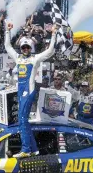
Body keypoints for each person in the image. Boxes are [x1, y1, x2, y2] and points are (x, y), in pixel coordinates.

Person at [4, 22, 57, 158]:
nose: (25, 49)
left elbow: (50, 51)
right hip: (21, 92)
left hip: (29, 91)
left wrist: (54, 34)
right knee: (24, 120)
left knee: (22, 119)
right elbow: (7, 46)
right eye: (23, 47)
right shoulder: (18, 58)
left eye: (27, 47)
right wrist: (8, 31)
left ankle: (25, 150)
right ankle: (33, 149)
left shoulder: (35, 58)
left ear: (31, 48)